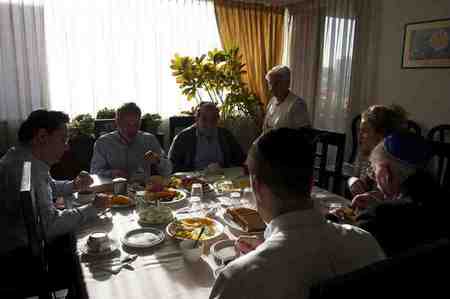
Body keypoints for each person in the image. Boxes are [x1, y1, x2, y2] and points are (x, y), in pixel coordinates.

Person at [210, 128, 385, 299]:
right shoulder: (366, 243)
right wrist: (266, 249)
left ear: (256, 187)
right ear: (311, 183)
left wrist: (262, 256)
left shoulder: (238, 280)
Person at [0, 110, 109, 296]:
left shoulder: (22, 157)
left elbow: (48, 187)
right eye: (63, 139)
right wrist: (92, 208)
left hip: (23, 246)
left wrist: (73, 185)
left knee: (87, 237)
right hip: (21, 261)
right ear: (42, 136)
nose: (66, 147)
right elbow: (50, 226)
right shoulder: (28, 170)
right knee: (97, 257)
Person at [356, 132, 449, 256]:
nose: (374, 178)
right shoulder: (442, 204)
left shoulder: (377, 218)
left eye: (373, 170)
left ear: (386, 173)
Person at [90, 102, 172, 179]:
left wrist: (158, 160)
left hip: (144, 191)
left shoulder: (149, 139)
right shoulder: (103, 143)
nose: (132, 129)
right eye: (127, 124)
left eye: (136, 124)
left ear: (140, 122)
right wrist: (112, 173)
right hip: (113, 190)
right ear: (117, 122)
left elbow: (169, 170)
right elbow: (94, 173)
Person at [349, 105, 407, 209]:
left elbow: (395, 199)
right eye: (359, 130)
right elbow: (355, 175)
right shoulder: (365, 153)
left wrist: (374, 197)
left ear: (381, 135)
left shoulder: (393, 163)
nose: (359, 135)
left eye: (365, 131)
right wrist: (352, 181)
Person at [168, 102, 245, 173]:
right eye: (204, 119)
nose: (209, 124)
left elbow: (241, 159)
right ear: (197, 119)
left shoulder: (226, 135)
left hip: (221, 178)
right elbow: (171, 166)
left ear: (218, 119)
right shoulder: (183, 138)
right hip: (194, 180)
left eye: (213, 119)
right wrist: (201, 172)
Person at [262, 65, 310, 133]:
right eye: (270, 83)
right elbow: (265, 130)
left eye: (276, 84)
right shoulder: (272, 101)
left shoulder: (297, 105)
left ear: (287, 83)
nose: (271, 89)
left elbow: (304, 135)